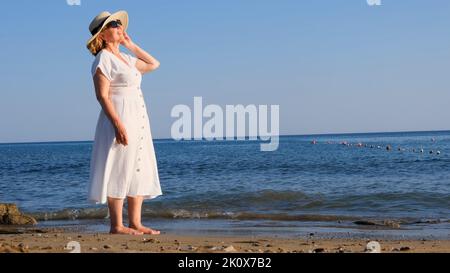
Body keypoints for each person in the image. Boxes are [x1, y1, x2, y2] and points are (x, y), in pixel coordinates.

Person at [86, 11, 162, 235]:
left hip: (138, 118)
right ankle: (117, 225)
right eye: (113, 25)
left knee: (138, 166)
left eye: (119, 23)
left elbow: (154, 64)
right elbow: (102, 96)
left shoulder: (127, 59)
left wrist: (131, 45)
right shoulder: (103, 59)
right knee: (119, 166)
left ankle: (136, 222)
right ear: (102, 35)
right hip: (118, 118)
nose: (119, 26)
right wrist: (118, 125)